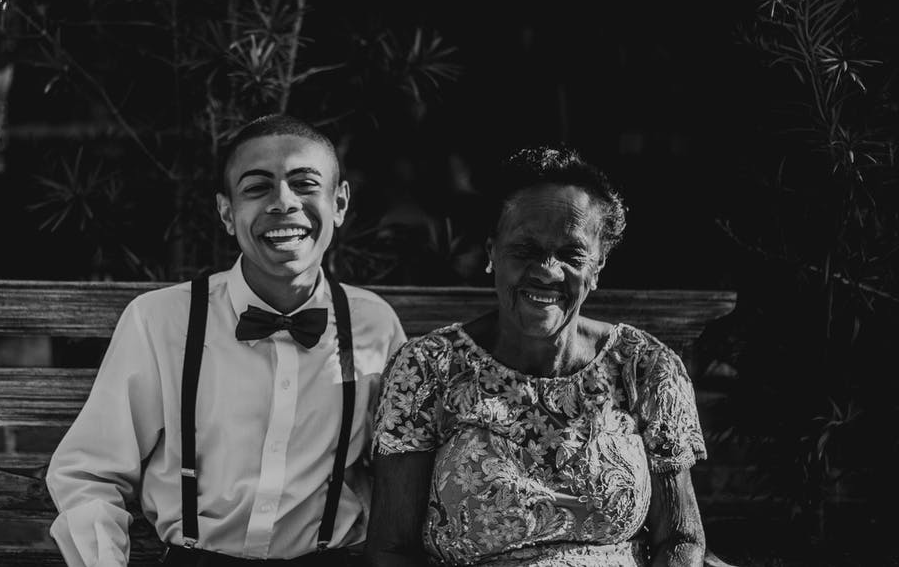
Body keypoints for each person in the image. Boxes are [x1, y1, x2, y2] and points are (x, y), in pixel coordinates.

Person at [47, 114, 408, 567]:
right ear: (225, 212)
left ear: (339, 203)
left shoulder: (374, 324)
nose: (283, 202)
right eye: (257, 187)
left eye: (304, 183)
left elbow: (400, 475)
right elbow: (88, 473)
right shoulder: (159, 321)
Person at [366, 147, 707, 567]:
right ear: (492, 252)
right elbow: (391, 549)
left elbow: (680, 538)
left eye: (572, 255)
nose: (547, 270)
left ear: (598, 265)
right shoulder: (427, 368)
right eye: (526, 250)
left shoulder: (645, 367)